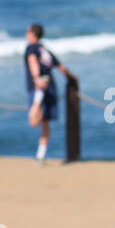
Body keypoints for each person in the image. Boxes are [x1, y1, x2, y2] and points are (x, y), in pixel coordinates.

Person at [23, 24, 74, 161]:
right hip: (50, 87)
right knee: (45, 123)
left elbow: (32, 60)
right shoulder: (45, 50)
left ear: (32, 34)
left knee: (34, 122)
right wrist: (72, 77)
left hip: (38, 86)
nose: (26, 34)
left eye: (27, 32)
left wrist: (36, 78)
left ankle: (38, 99)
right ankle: (40, 155)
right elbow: (61, 68)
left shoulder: (31, 48)